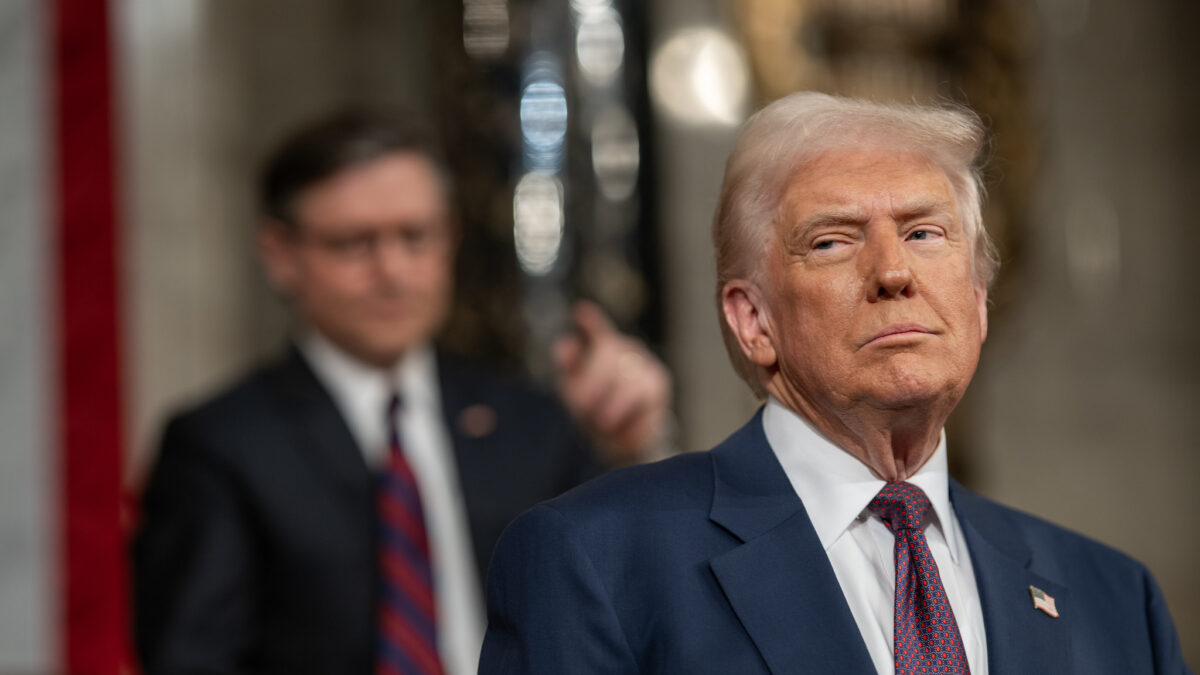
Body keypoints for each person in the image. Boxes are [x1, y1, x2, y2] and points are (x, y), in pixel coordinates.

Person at [479, 92, 1192, 674]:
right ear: (753, 318)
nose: (893, 271)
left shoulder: (1114, 596)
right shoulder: (592, 561)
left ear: (977, 301)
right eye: (832, 240)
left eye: (925, 233)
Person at [132, 111, 673, 675]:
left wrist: (633, 450)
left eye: (415, 237)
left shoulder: (526, 421)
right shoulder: (221, 445)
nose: (393, 271)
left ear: (450, 240)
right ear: (281, 254)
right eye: (354, 244)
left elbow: (642, 606)